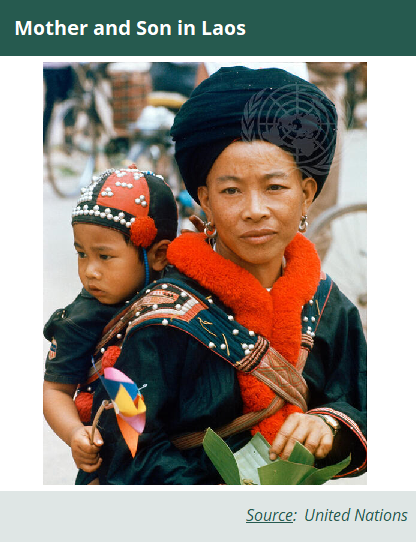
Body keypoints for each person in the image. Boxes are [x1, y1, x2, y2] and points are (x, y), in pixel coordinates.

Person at [81, 67, 367, 485]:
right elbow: (128, 435)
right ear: (205, 200)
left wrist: (329, 426)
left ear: (307, 194)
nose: (255, 209)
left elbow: (362, 399)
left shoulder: (329, 306)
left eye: (275, 187)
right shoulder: (160, 318)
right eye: (231, 190)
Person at [43, 165, 178, 480]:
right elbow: (55, 390)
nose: (90, 271)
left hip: (176, 450)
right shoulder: (80, 321)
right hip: (114, 459)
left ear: (159, 255)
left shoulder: (179, 292)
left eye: (104, 257)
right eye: (81, 254)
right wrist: (76, 433)